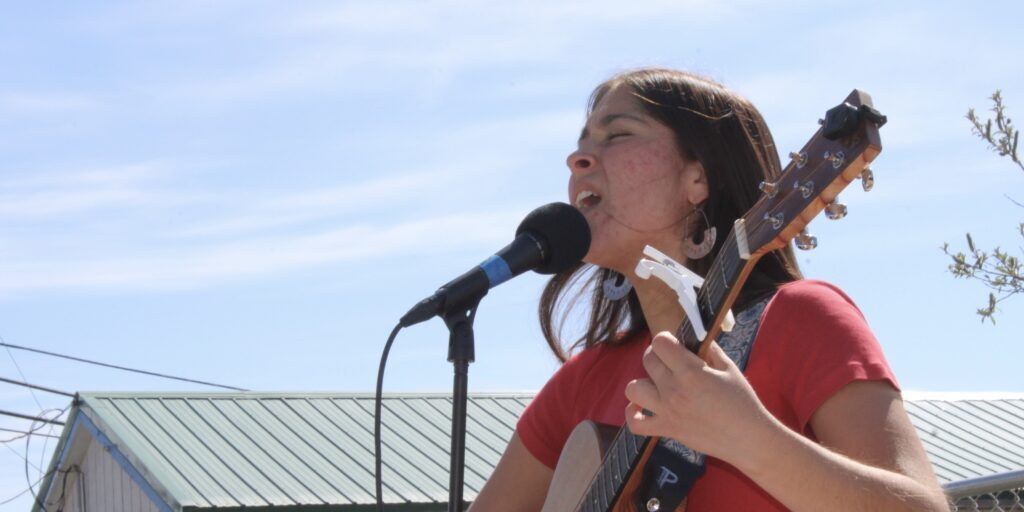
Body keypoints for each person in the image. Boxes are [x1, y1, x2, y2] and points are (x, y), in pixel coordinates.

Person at [469, 68, 948, 511]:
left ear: (697, 178)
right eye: (581, 145)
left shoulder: (800, 318)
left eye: (617, 135)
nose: (578, 160)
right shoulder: (581, 383)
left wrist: (749, 437)